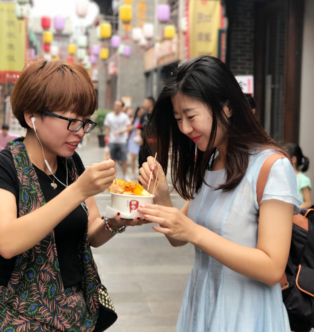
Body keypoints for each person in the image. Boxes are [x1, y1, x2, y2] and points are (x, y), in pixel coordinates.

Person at [137, 56, 300, 332]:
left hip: (247, 315)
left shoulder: (272, 167)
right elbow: (180, 238)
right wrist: (162, 196)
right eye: (178, 119)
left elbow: (273, 267)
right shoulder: (210, 162)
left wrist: (194, 232)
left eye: (190, 116)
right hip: (201, 305)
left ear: (226, 108)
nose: (185, 129)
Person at [0, 59, 144, 331]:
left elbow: (91, 233)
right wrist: (79, 190)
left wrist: (117, 221)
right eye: (70, 121)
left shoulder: (71, 163)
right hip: (21, 316)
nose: (79, 131)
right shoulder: (6, 166)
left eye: (84, 121)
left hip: (75, 313)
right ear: (32, 116)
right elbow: (6, 241)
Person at [104, 100, 131, 180]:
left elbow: (129, 127)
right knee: (113, 160)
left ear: (122, 107)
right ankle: (113, 176)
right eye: (115, 105)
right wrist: (107, 139)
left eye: (119, 105)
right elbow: (107, 129)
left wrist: (120, 131)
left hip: (122, 141)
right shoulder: (109, 116)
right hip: (112, 141)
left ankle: (124, 175)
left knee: (124, 159)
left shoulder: (124, 116)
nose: (116, 107)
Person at [285, 143, 312, 209]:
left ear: (293, 159)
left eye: (284, 158)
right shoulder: (283, 177)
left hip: (296, 216)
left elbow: (308, 203)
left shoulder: (303, 179)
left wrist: (294, 210)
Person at [137, 96, 155, 169]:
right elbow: (139, 128)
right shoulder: (144, 116)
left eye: (145, 102)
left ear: (150, 103)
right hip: (143, 145)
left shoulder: (158, 116)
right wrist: (138, 137)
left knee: (153, 166)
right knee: (142, 165)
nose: (143, 104)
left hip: (154, 147)